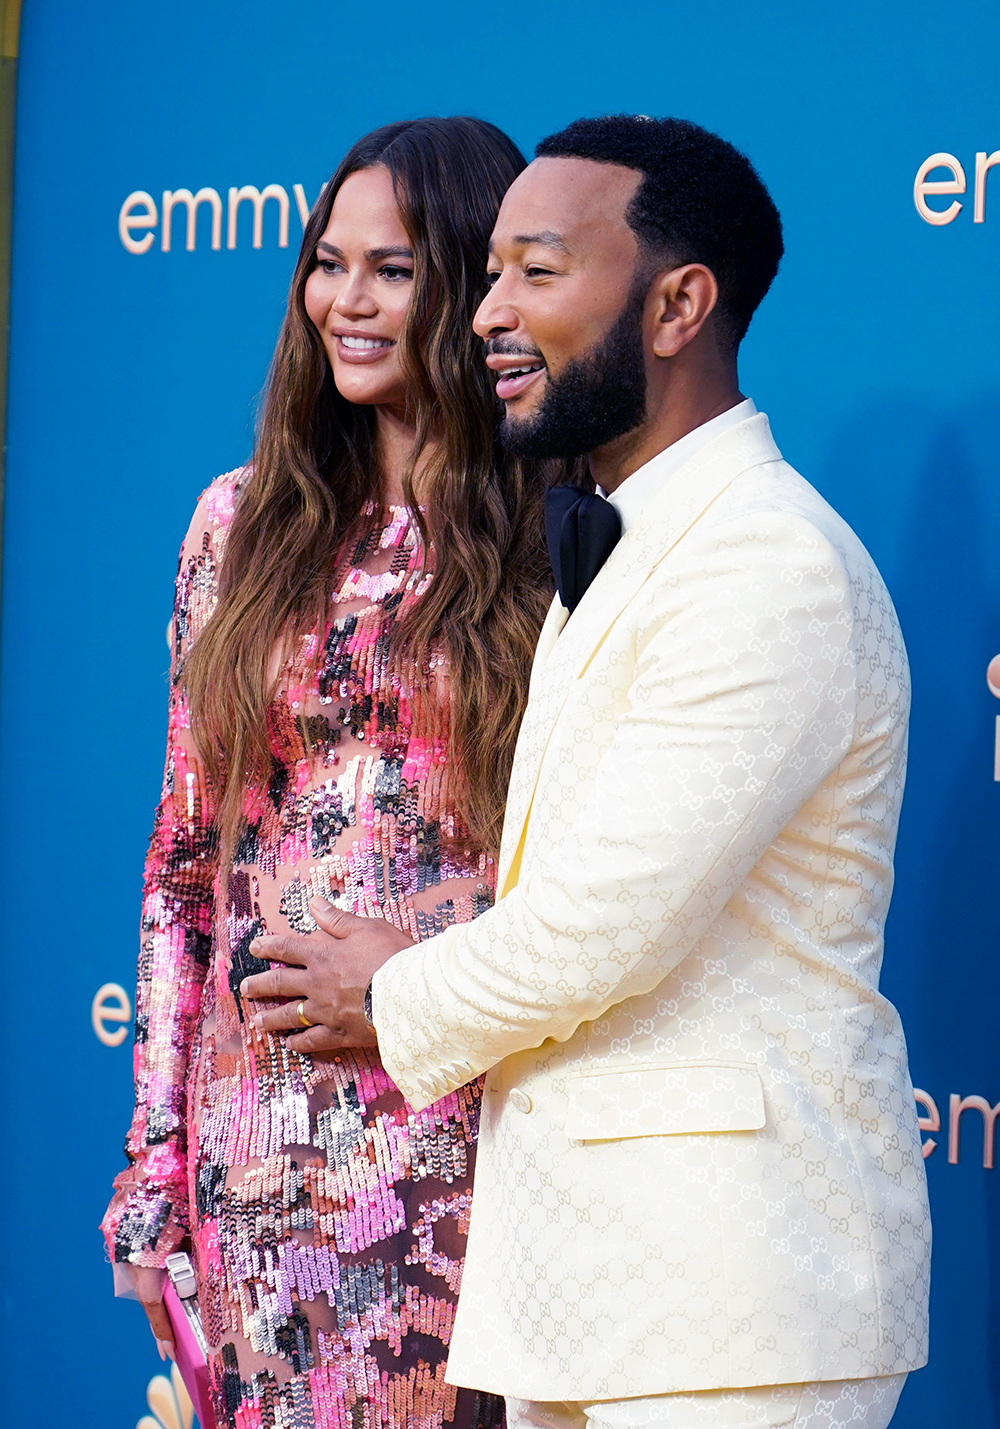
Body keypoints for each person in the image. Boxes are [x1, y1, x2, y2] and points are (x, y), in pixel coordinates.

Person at [242, 116, 932, 1429]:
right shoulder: (630, 545)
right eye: (490, 271)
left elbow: (599, 926)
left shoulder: (764, 562)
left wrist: (385, 983)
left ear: (677, 304)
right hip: (597, 1302)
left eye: (538, 273)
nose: (489, 312)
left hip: (731, 1310)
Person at [102, 115, 556, 1429]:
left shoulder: (557, 540)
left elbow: (593, 875)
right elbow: (186, 867)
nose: (345, 300)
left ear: (475, 285)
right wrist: (154, 1163)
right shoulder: (235, 526)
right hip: (257, 1145)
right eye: (327, 262)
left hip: (460, 1128)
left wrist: (426, 955)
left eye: (394, 269)